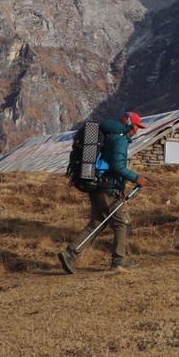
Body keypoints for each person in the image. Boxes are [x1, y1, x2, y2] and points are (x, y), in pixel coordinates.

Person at [61, 111, 143, 273]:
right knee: (122, 223)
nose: (137, 130)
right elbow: (118, 166)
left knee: (97, 223)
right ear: (129, 124)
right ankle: (118, 262)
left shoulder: (109, 135)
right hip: (108, 188)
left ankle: (70, 254)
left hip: (96, 185)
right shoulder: (119, 139)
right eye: (136, 126)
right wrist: (136, 177)